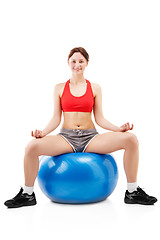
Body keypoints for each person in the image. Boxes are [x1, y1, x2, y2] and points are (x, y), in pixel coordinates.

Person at [4, 47, 157, 208]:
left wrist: (118, 129)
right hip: (66, 137)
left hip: (91, 138)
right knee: (31, 147)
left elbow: (100, 118)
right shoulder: (59, 88)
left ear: (87, 63)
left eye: (81, 61)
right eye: (74, 61)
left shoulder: (95, 88)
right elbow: (56, 118)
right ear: (68, 63)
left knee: (131, 139)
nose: (77, 65)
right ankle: (28, 194)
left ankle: (132, 192)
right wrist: (43, 132)